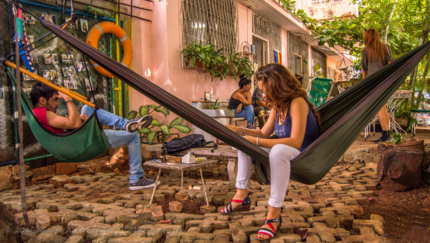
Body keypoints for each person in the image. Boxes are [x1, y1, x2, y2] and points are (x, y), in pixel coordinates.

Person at [220, 64, 320, 241]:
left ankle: (274, 215)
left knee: (277, 151)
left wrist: (256, 141)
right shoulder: (277, 106)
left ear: (277, 85)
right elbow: (263, 133)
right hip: (286, 150)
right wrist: (240, 132)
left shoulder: (297, 103)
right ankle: (241, 196)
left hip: (305, 154)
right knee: (245, 144)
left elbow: (296, 141)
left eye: (265, 90)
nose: (263, 95)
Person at [30, 82, 158, 190]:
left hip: (77, 138)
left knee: (88, 108)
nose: (58, 103)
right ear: (42, 100)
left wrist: (83, 122)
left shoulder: (37, 114)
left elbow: (72, 125)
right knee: (134, 135)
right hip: (82, 144)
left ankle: (126, 124)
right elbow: (74, 123)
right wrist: (68, 99)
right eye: (55, 99)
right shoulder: (41, 113)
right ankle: (136, 179)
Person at [361, 28, 394, 143]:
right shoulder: (385, 47)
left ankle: (386, 135)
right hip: (385, 81)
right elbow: (390, 63)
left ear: (368, 37)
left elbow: (364, 69)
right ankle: (387, 133)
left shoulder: (365, 50)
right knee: (383, 107)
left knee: (380, 107)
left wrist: (364, 83)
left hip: (374, 83)